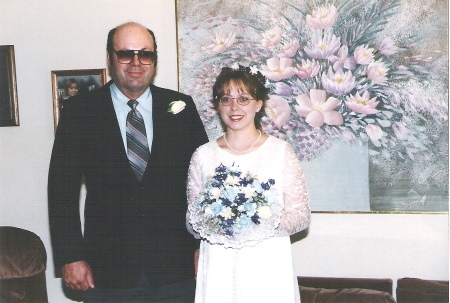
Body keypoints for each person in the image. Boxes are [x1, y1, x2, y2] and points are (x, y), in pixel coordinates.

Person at [48, 21, 208, 303]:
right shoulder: (80, 112)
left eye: (145, 54)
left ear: (154, 60)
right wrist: (70, 257)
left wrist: (204, 248)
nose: (136, 62)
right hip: (107, 273)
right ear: (109, 58)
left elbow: (203, 184)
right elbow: (62, 191)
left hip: (177, 271)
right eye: (126, 53)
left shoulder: (181, 108)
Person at [186, 67, 311, 303]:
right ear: (218, 106)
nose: (234, 108)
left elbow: (301, 216)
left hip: (266, 262)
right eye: (226, 99)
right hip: (219, 263)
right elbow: (192, 221)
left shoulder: (280, 152)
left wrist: (255, 221)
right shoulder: (203, 156)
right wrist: (219, 218)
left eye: (243, 99)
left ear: (258, 104)